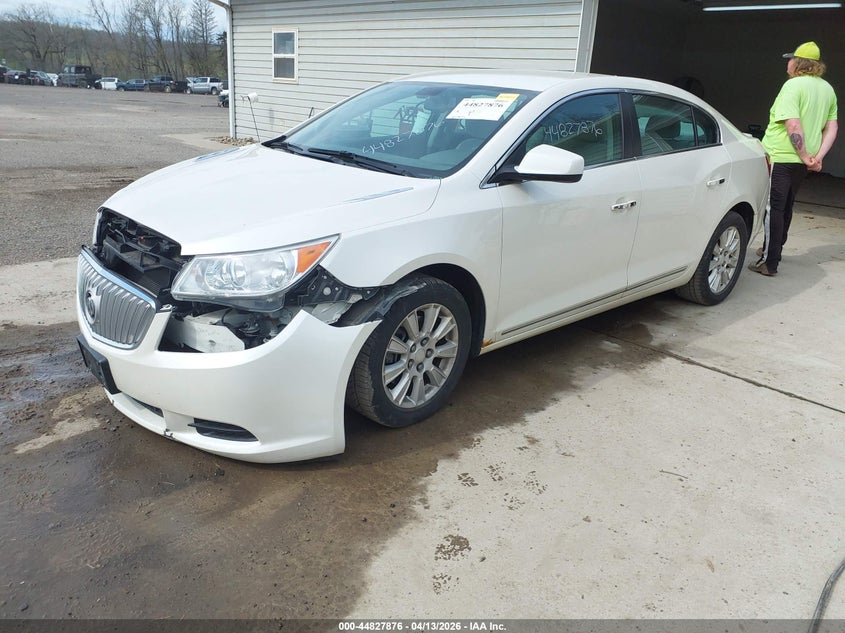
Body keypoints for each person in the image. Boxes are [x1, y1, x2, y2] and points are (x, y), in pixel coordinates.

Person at [749, 41, 838, 277]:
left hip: (781, 156)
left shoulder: (792, 86)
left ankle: (769, 261)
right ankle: (775, 248)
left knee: (773, 208)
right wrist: (815, 157)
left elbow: (793, 124)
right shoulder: (827, 89)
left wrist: (803, 154)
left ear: (798, 63)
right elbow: (832, 127)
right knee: (786, 205)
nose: (787, 63)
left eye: (790, 59)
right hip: (803, 161)